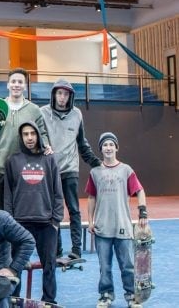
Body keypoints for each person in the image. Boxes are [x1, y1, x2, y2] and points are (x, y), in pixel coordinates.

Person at [40, 79, 101, 259]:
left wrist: (97, 163)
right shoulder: (42, 113)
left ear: (70, 96)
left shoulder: (77, 114)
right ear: (53, 94)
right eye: (59, 93)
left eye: (66, 94)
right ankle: (56, 250)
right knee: (52, 212)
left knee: (74, 209)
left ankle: (76, 250)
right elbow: (37, 140)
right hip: (50, 171)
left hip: (70, 169)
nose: (62, 97)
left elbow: (82, 144)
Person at [0, 68, 51, 210]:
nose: (16, 85)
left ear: (25, 86)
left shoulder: (34, 110)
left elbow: (42, 132)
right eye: (13, 81)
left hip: (23, 169)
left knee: (21, 212)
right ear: (8, 85)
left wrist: (46, 145)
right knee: (0, 212)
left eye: (20, 82)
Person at [86, 132, 148, 308]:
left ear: (116, 147)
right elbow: (91, 197)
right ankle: (105, 295)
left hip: (123, 227)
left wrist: (142, 212)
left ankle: (132, 297)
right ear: (101, 149)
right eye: (105, 145)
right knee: (104, 267)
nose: (108, 147)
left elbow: (140, 191)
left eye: (111, 144)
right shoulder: (95, 172)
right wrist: (90, 221)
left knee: (127, 266)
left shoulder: (126, 170)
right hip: (102, 228)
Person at [4, 123, 63, 304]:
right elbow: (8, 193)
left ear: (38, 135)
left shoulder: (49, 159)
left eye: (32, 134)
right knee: (16, 266)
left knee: (49, 266)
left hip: (46, 223)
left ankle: (49, 301)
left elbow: (57, 191)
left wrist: (56, 220)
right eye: (25, 134)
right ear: (20, 137)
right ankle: (15, 300)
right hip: (20, 223)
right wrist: (9, 220)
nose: (29, 137)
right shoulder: (13, 161)